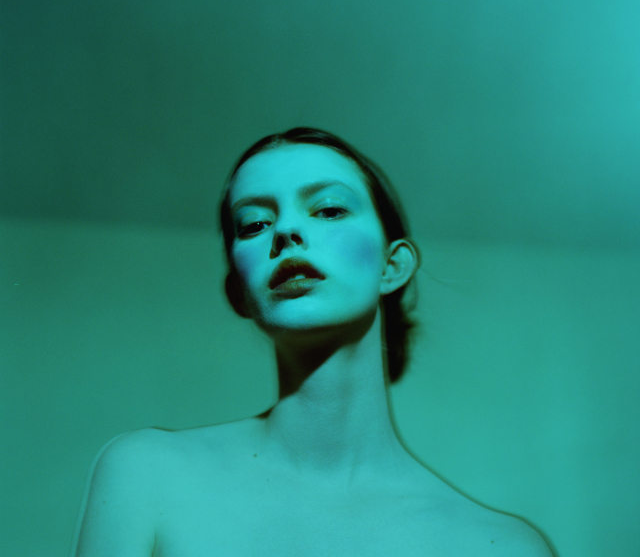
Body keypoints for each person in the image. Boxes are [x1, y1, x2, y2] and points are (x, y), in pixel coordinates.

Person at [70, 128, 553, 556]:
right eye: (254, 224)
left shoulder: (504, 548)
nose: (286, 230)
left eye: (329, 209)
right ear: (239, 292)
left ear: (392, 265)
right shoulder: (147, 477)